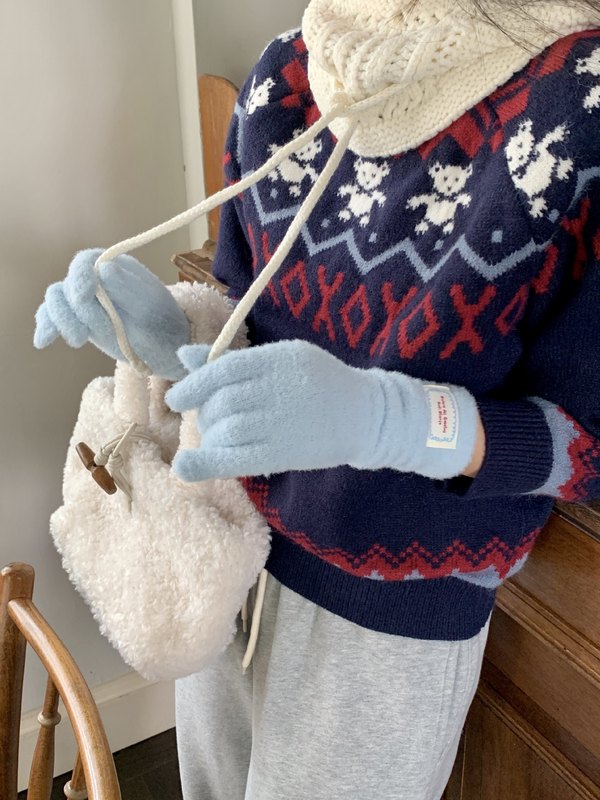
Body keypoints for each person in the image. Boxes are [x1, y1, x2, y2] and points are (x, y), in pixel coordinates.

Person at [34, 1, 600, 797]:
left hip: (393, 618)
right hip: (225, 550)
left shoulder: (581, 103)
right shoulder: (291, 71)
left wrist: (388, 422)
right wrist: (172, 332)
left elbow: (586, 448)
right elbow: (244, 311)